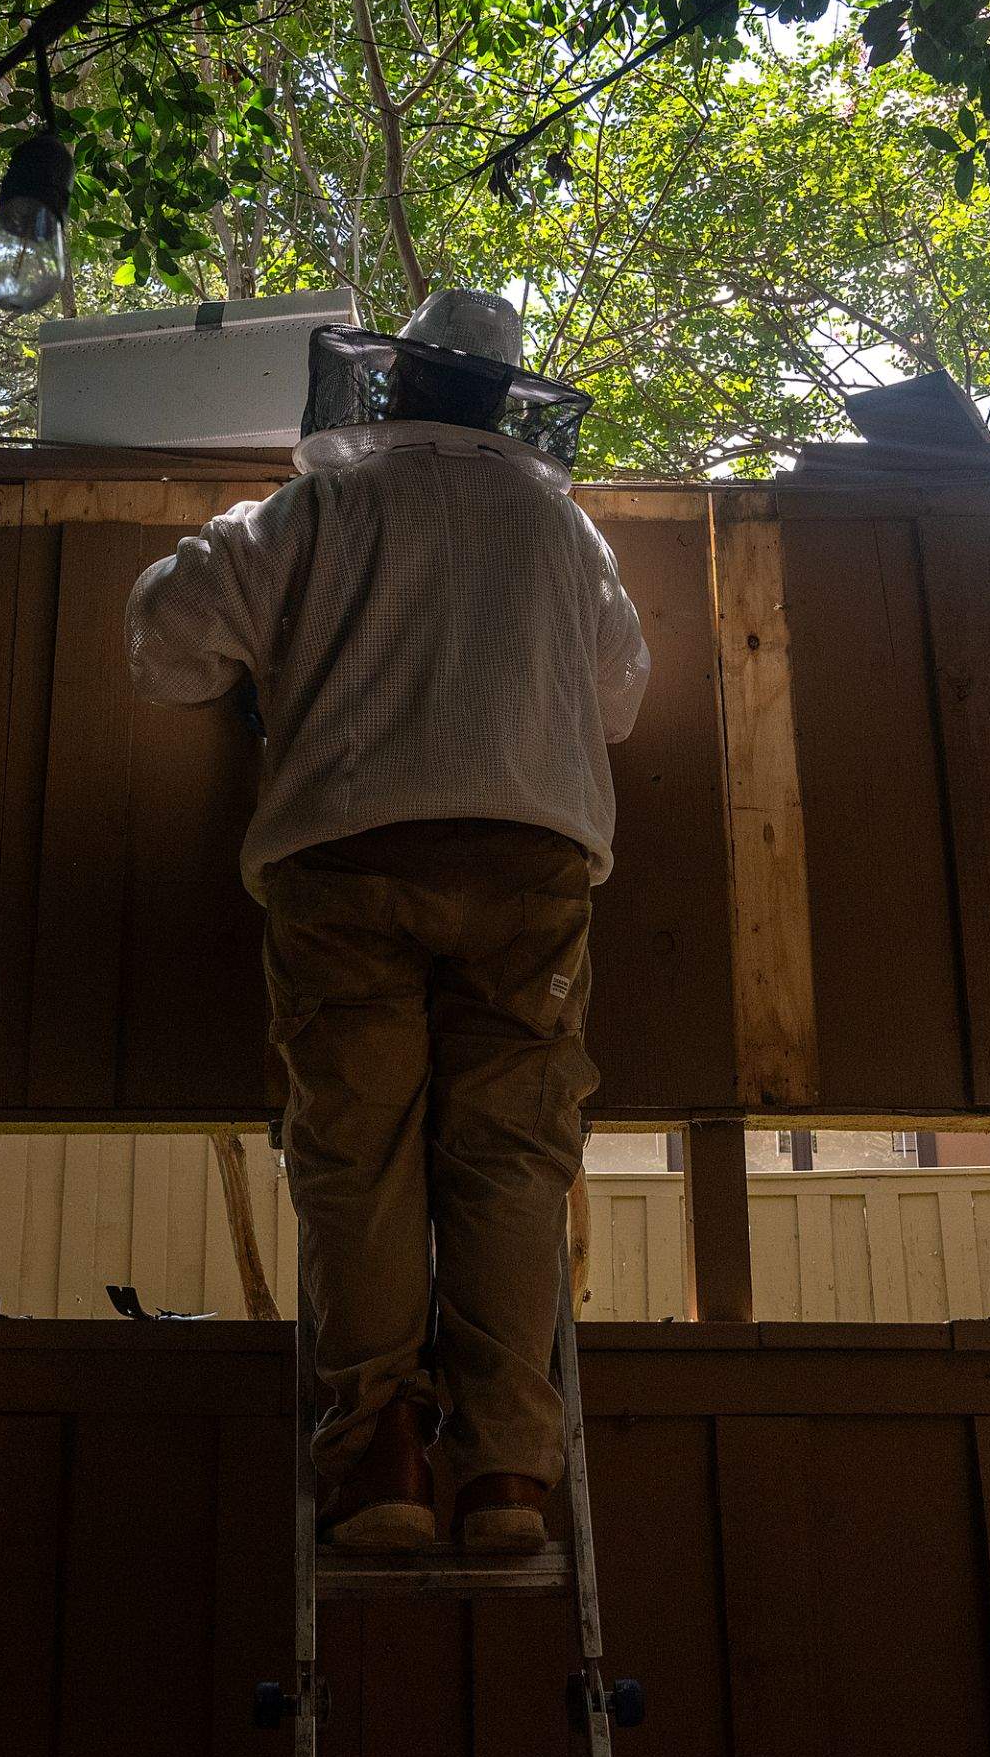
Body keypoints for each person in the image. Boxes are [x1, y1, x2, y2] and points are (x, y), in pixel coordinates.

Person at [125, 290, 649, 1555]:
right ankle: (509, 1478)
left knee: (355, 1157)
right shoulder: (561, 529)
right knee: (512, 1161)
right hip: (532, 866)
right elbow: (622, 698)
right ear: (507, 406)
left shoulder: (316, 508)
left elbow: (164, 642)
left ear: (392, 383)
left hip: (345, 858)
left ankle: (382, 1459)